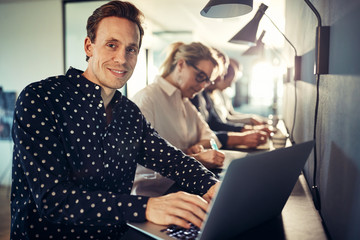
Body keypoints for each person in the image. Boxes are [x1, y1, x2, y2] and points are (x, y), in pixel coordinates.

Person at [10, 1, 219, 239]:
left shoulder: (129, 113)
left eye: (131, 49)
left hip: (115, 234)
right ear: (89, 46)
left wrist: (213, 186)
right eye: (112, 45)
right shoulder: (41, 98)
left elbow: (172, 160)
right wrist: (147, 207)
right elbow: (54, 200)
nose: (122, 59)